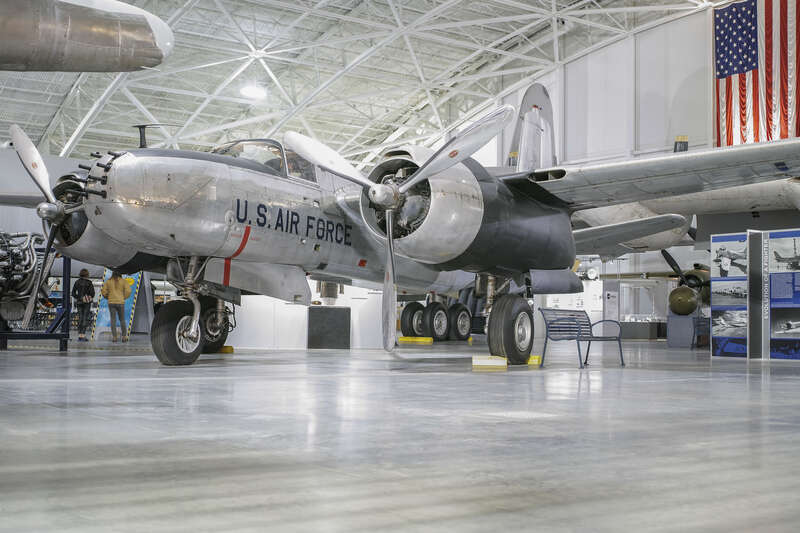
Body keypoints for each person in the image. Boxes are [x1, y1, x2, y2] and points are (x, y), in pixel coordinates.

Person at [101, 271, 131, 342]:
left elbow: (103, 291)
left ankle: (114, 337)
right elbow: (128, 291)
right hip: (120, 302)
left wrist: (108, 297)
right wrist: (123, 297)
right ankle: (124, 337)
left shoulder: (108, 281)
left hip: (111, 302)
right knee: (122, 320)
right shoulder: (123, 281)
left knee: (113, 320)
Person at [71, 268, 95, 341]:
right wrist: (86, 297)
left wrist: (80, 298)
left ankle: (79, 335)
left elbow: (73, 293)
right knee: (85, 318)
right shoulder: (89, 282)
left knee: (80, 318)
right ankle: (83, 335)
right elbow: (92, 294)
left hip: (79, 302)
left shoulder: (77, 282)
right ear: (87, 274)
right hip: (87, 303)